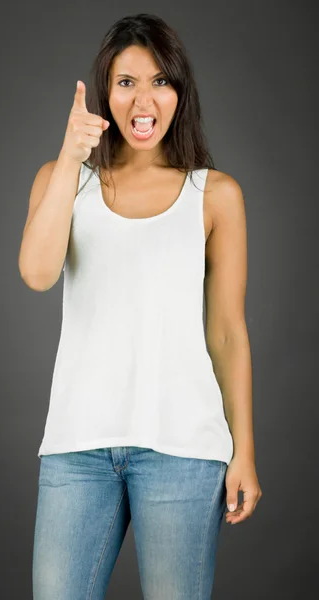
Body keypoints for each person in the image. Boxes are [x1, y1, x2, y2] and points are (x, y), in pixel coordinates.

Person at [19, 12, 262, 600]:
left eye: (159, 81)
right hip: (78, 448)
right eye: (126, 82)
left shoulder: (216, 194)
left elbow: (227, 331)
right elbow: (36, 273)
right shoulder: (63, 180)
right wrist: (70, 156)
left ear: (180, 92)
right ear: (105, 93)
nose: (143, 99)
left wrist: (244, 452)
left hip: (183, 449)